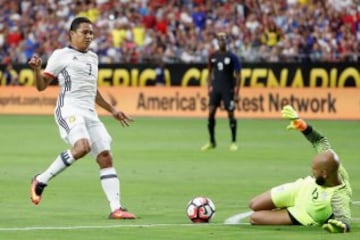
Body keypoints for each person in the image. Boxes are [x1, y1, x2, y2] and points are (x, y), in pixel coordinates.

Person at [27, 17, 136, 219]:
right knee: (82, 147)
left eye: (91, 33)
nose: (89, 36)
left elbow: (92, 90)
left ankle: (116, 209)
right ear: (72, 34)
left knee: (105, 157)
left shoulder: (93, 58)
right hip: (68, 109)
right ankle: (41, 180)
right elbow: (42, 86)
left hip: (89, 113)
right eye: (84, 32)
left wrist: (112, 110)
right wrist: (36, 71)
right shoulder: (61, 55)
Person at [248, 105, 352, 233]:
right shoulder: (331, 162)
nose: (311, 172)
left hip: (302, 213)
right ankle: (281, 208)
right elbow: (320, 141)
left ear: (324, 174)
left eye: (314, 170)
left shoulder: (339, 196)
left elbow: (344, 219)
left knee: (254, 218)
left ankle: (284, 212)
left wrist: (341, 227)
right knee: (253, 204)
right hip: (300, 189)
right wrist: (302, 125)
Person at [201, 32, 241, 151]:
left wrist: (237, 92)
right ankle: (212, 142)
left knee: (230, 113)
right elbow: (209, 73)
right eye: (219, 40)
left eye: (223, 40)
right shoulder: (212, 56)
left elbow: (238, 75)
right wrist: (209, 87)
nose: (221, 42)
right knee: (211, 112)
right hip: (216, 88)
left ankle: (233, 142)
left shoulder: (233, 57)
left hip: (228, 89)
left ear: (227, 42)